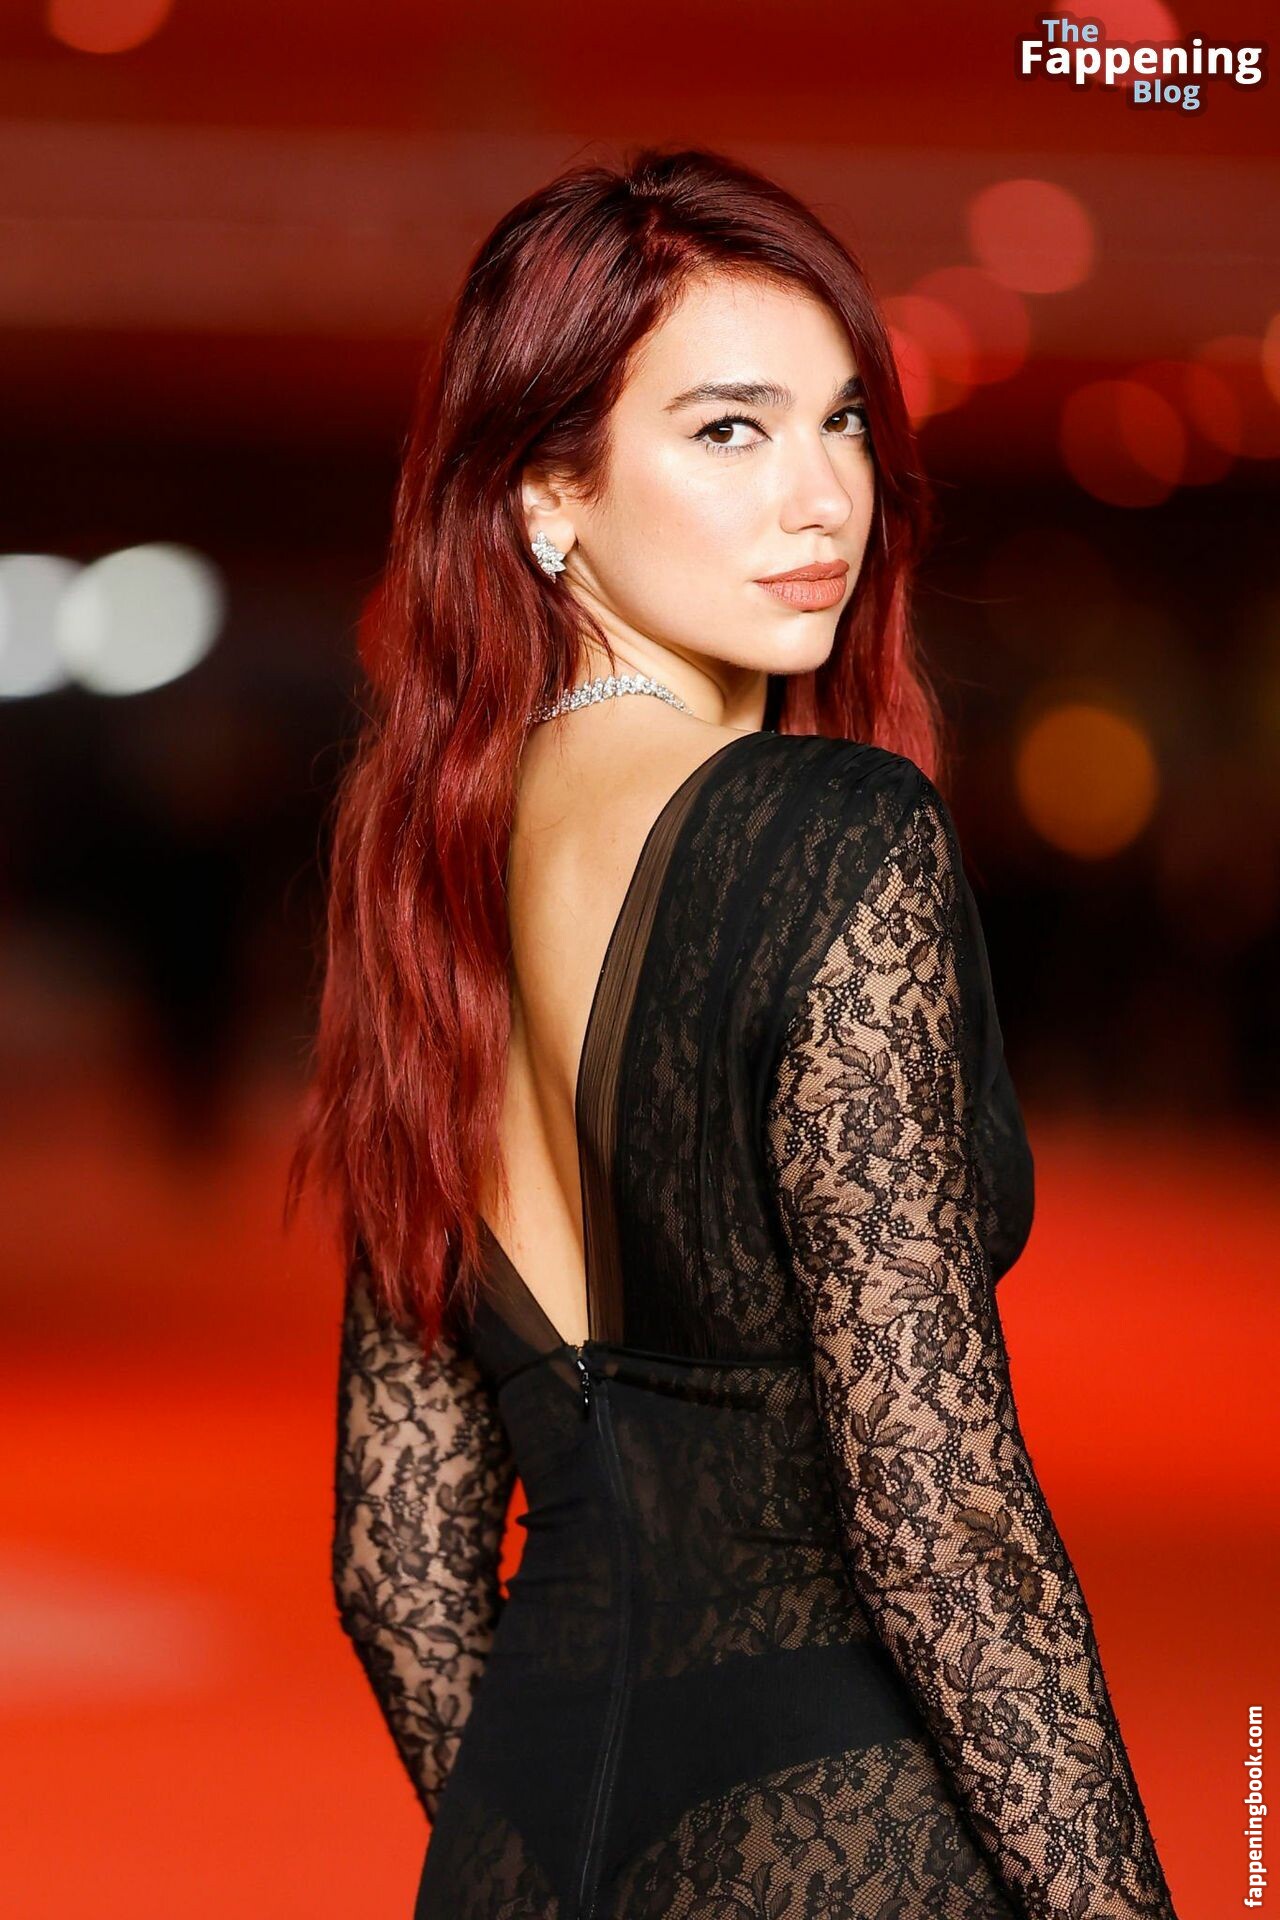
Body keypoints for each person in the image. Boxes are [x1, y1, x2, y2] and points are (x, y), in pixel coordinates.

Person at [287, 146, 1181, 1919]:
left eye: (842, 421)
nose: (822, 495)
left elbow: (398, 1561)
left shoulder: (425, 875)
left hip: (529, 1835)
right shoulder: (831, 831)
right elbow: (940, 1520)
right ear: (546, 492)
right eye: (727, 431)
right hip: (832, 1823)